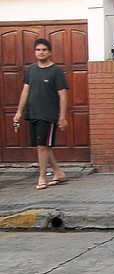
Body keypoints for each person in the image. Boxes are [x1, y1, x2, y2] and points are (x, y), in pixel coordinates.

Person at [13, 38, 69, 190]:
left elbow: (63, 95)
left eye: (44, 49)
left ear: (49, 52)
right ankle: (58, 172)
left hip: (48, 114)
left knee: (42, 147)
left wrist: (62, 116)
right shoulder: (31, 69)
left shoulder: (56, 71)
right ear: (35, 52)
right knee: (43, 146)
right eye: (38, 50)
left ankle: (42, 177)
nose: (41, 52)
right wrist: (19, 111)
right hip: (33, 113)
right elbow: (25, 91)